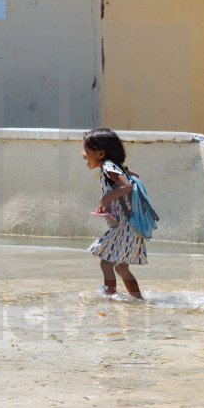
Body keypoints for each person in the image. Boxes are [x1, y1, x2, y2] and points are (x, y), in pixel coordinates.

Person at [82, 127, 145, 299]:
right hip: (130, 224)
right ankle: (139, 301)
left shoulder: (108, 166)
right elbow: (135, 176)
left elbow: (127, 185)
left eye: (86, 151)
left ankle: (109, 298)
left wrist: (106, 199)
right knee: (121, 268)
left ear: (100, 153)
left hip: (125, 226)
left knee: (106, 263)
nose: (83, 154)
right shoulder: (114, 167)